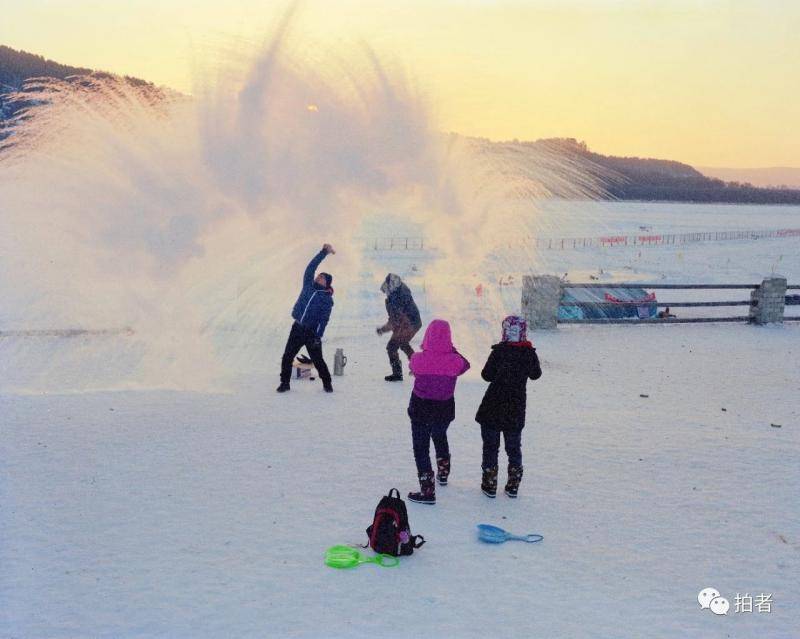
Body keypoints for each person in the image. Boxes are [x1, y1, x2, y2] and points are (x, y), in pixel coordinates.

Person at [475, 316, 541, 498]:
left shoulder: (499, 352)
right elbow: (536, 374)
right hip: (515, 408)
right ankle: (513, 484)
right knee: (513, 447)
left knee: (490, 446)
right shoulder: (528, 354)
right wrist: (528, 352)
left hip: (492, 407)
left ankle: (489, 483)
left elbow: (486, 375)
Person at [406, 319, 470, 504]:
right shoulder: (455, 361)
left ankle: (427, 490)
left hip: (420, 408)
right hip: (444, 410)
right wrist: (450, 350)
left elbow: (413, 368)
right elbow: (465, 365)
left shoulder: (418, 359)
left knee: (421, 448)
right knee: (440, 436)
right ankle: (443, 472)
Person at [277, 244, 335, 393]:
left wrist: (318, 336)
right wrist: (323, 253)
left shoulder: (326, 299)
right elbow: (311, 267)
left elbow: (324, 320)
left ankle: (327, 384)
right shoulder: (308, 285)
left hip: (311, 333)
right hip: (297, 327)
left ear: (327, 283)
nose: (318, 277)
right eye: (319, 275)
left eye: (322, 277)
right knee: (287, 355)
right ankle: (284, 383)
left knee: (318, 360)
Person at [376, 273, 422, 381]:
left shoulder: (398, 297)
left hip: (409, 323)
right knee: (403, 344)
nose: (386, 294)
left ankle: (399, 373)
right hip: (411, 322)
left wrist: (383, 329)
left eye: (386, 291)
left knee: (392, 346)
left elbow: (394, 320)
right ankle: (418, 368)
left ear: (391, 287)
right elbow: (395, 319)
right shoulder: (398, 292)